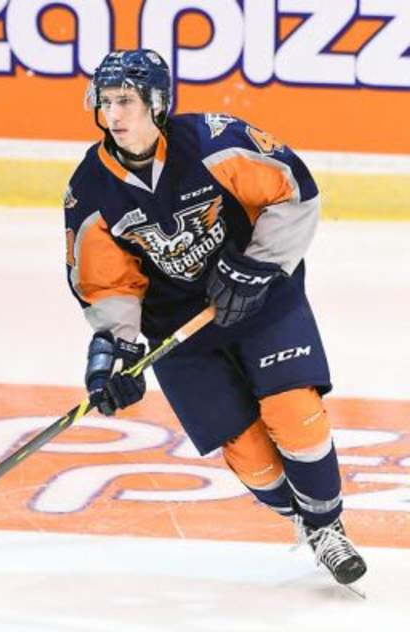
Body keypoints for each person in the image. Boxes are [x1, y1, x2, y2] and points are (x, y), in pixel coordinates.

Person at [63, 49, 367, 586]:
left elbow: (294, 193)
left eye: (127, 101)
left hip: (262, 297)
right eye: (107, 102)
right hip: (176, 328)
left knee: (294, 413)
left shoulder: (213, 141)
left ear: (157, 104)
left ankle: (327, 527)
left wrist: (256, 265)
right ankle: (301, 520)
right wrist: (118, 349)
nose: (115, 114)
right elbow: (106, 281)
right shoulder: (89, 187)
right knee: (250, 454)